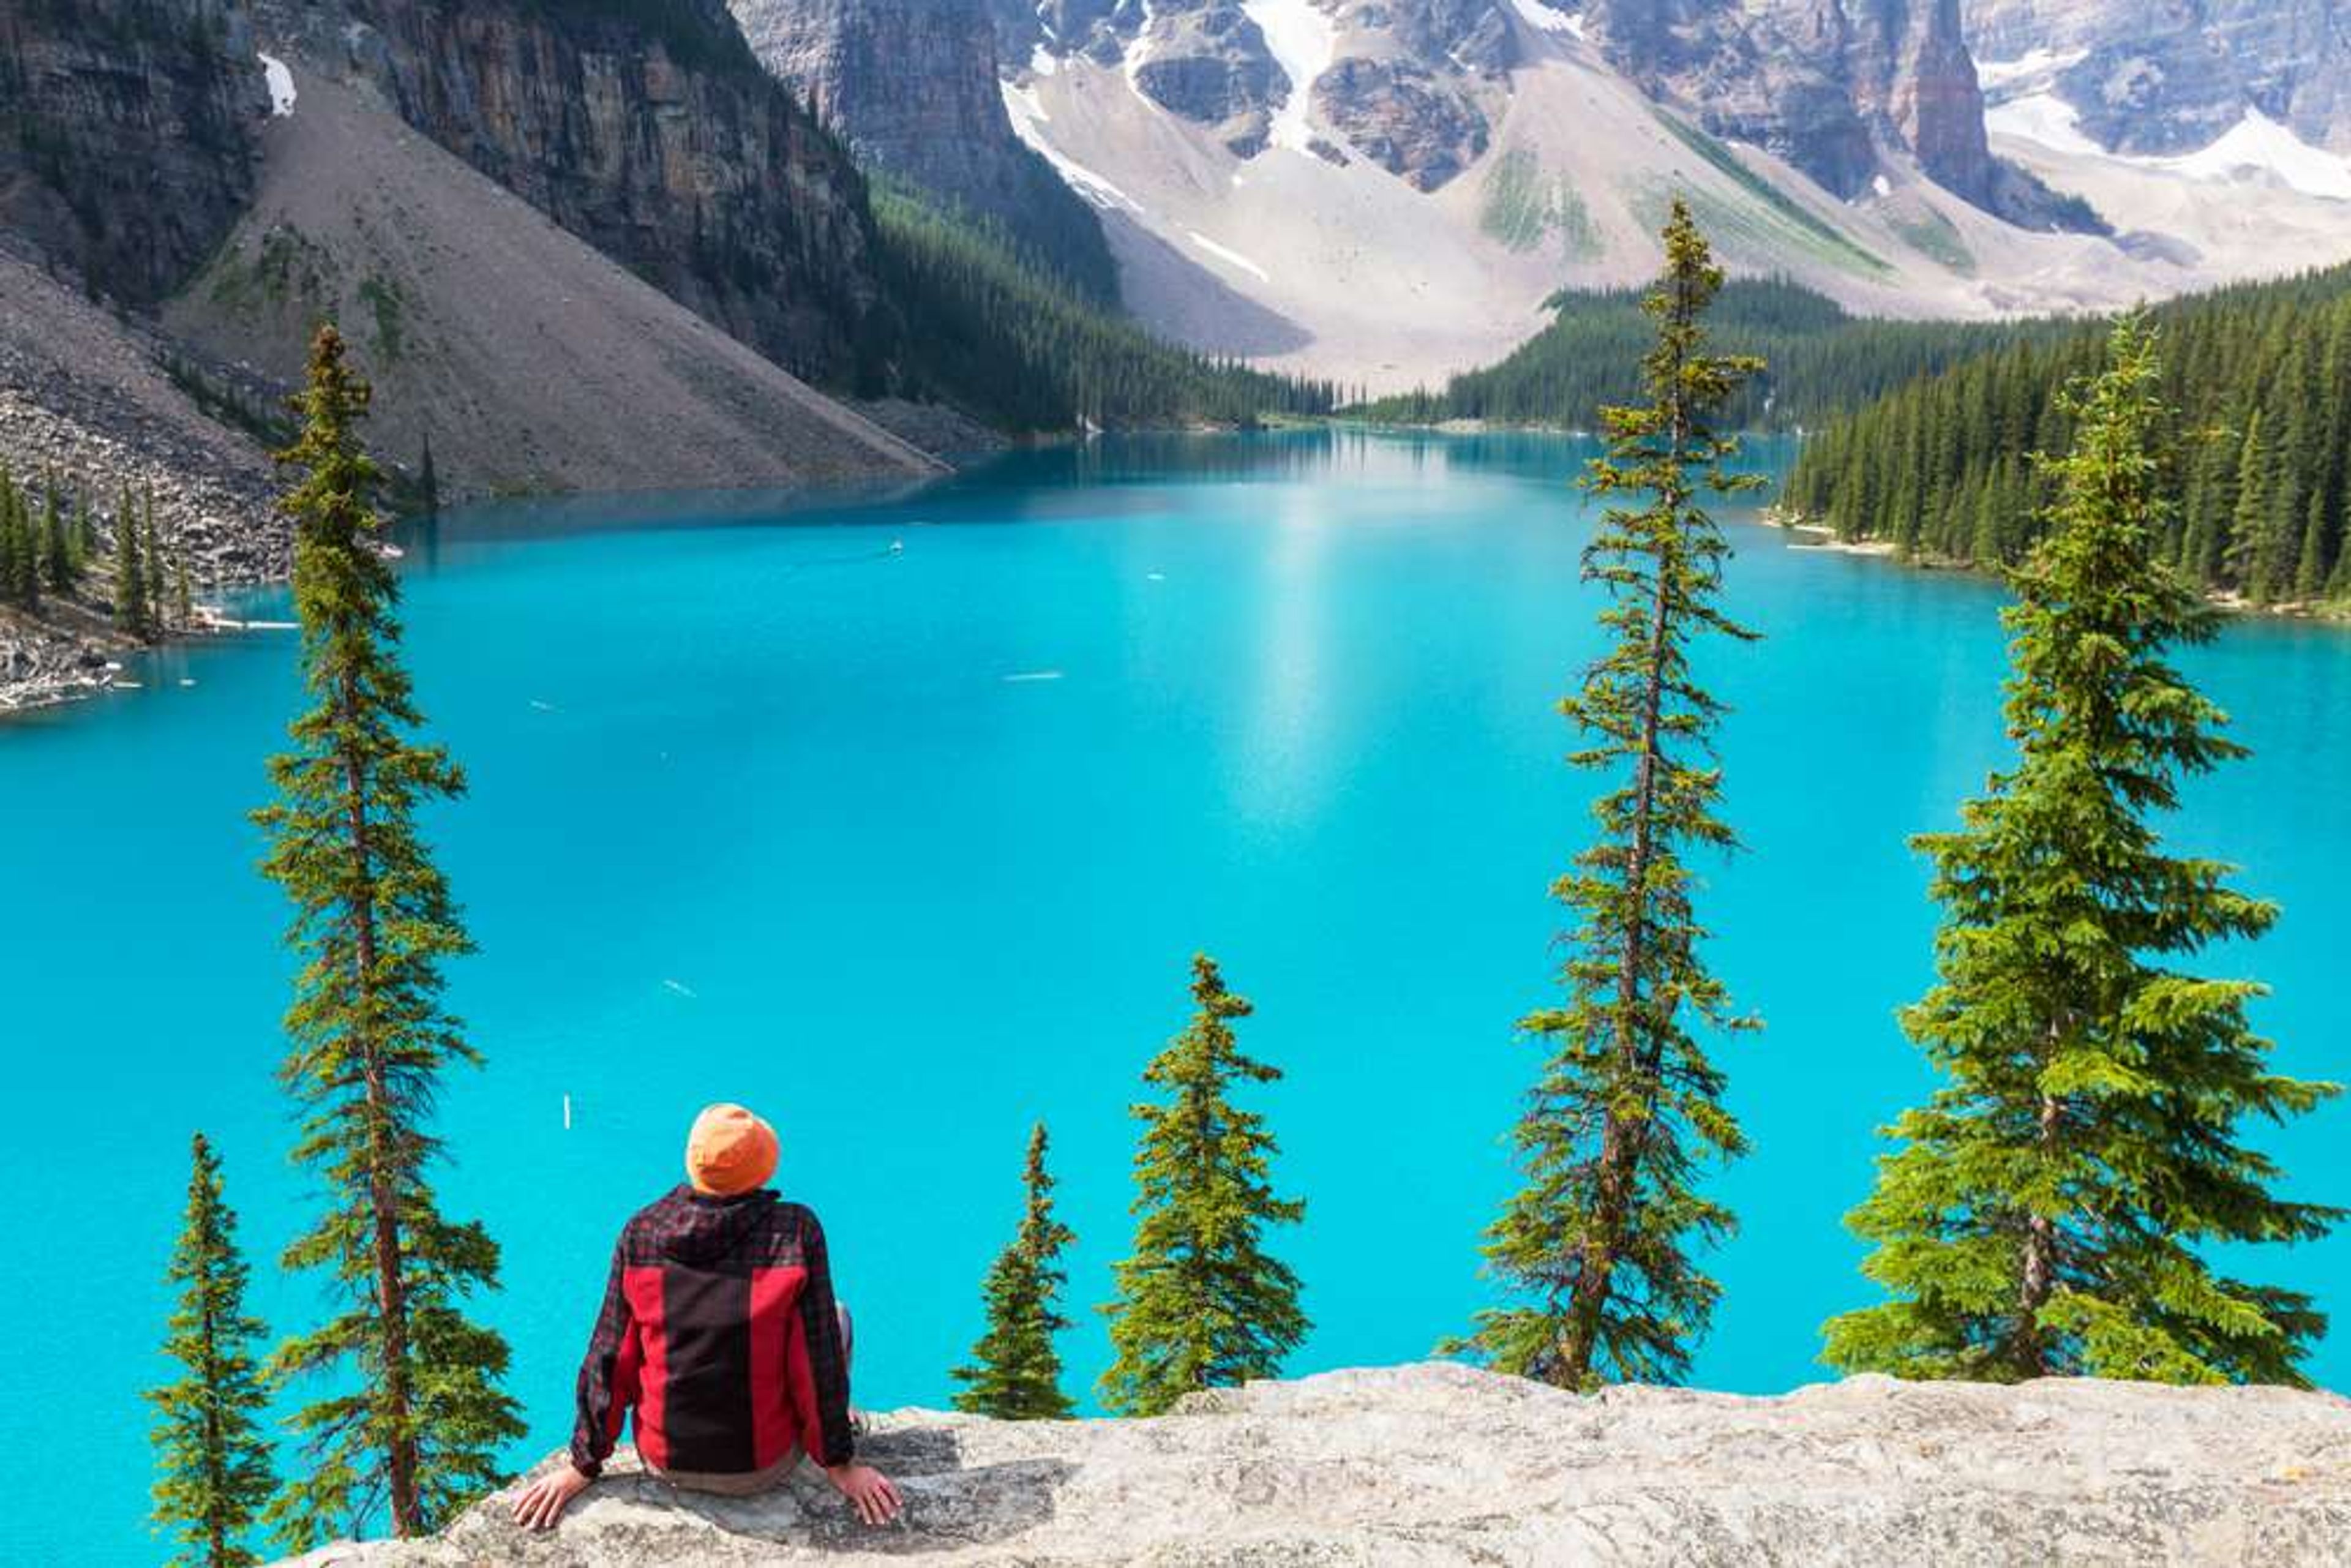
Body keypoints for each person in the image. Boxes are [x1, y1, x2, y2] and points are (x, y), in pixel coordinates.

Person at [511, 1103, 905, 1530]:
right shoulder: (795, 1232)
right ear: (764, 1168)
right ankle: (838, 1422)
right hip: (761, 1467)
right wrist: (840, 1463)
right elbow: (816, 1361)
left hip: (666, 1461)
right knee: (835, 1318)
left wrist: (583, 1465)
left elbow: (610, 1356)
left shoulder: (641, 1232)